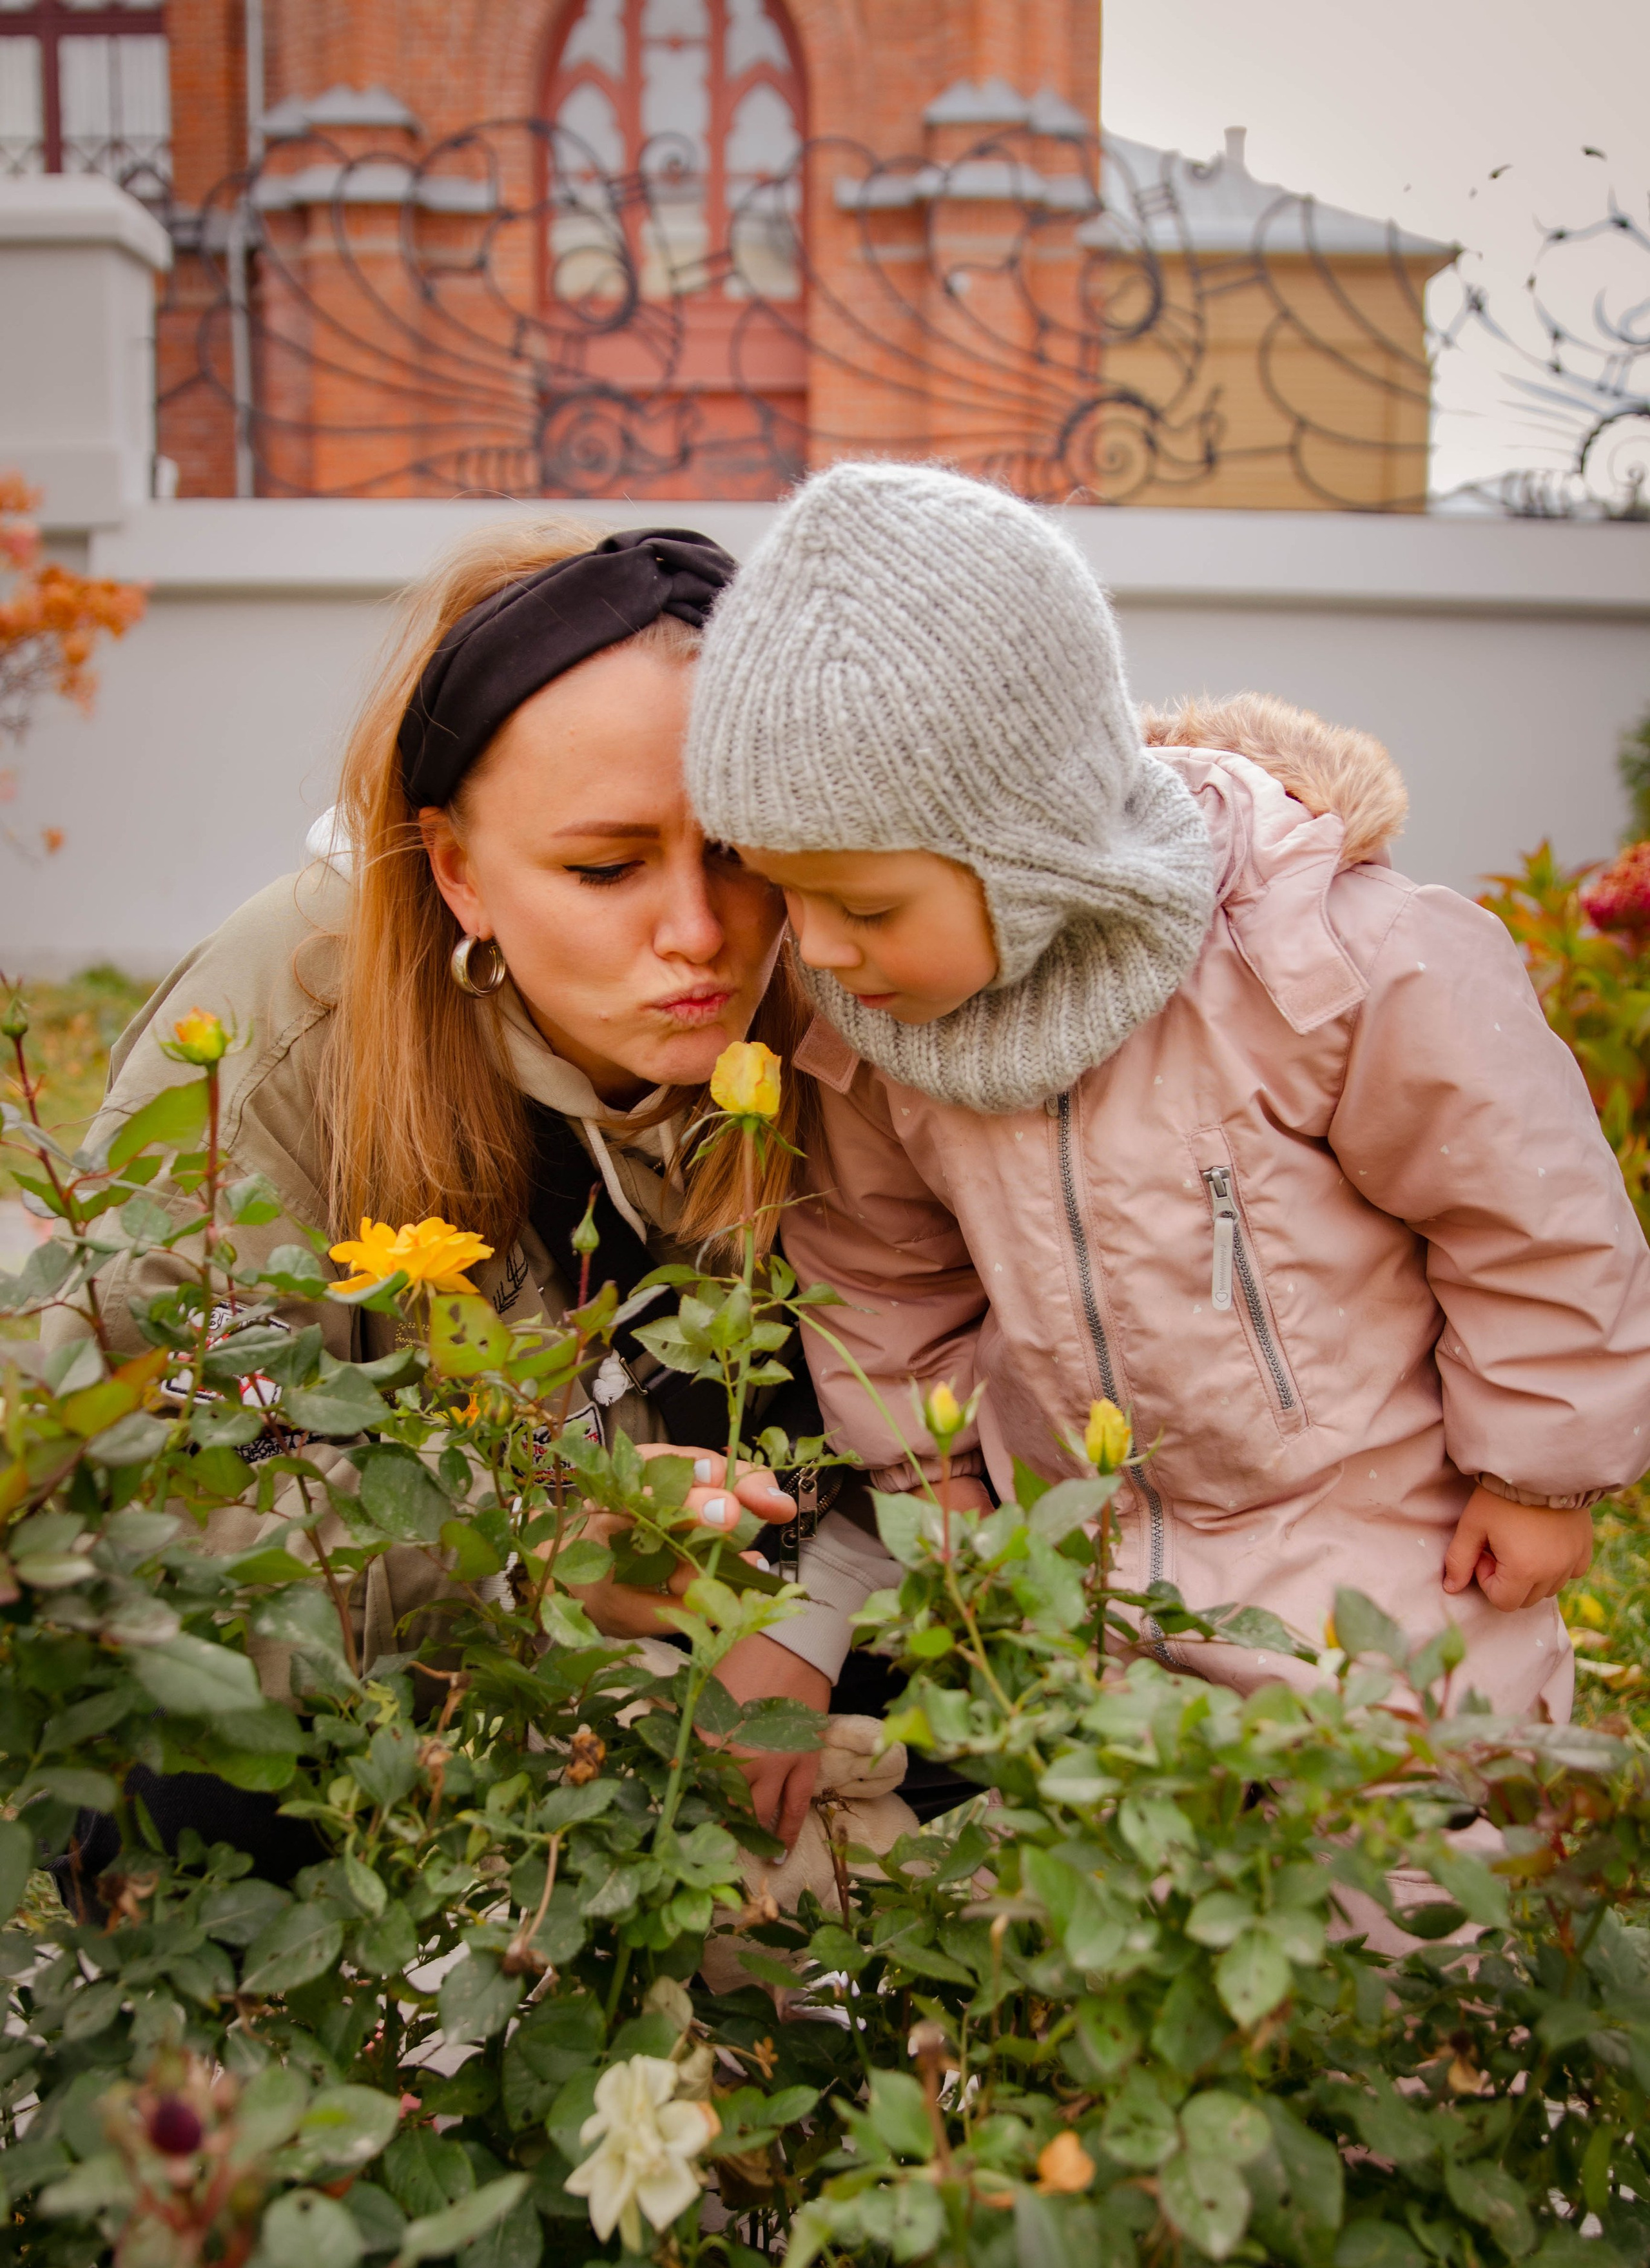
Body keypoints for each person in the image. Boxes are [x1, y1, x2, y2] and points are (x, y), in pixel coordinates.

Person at [685, 460, 1650, 1714]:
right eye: (782, 892)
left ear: (1028, 853)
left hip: (1382, 1561)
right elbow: (876, 1268)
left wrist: (1536, 1475)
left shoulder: (1314, 962)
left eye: (862, 904)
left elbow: (1525, 1214)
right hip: (1082, 1578)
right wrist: (931, 1479)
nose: (811, 949)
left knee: (1406, 1857)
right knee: (1108, 1883)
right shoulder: (877, 1025)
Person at [54, 520, 852, 1875]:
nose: (701, 933)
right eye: (603, 868)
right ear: (456, 869)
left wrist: (802, 1629)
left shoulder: (855, 966)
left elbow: (963, 1385)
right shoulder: (271, 1040)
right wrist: (521, 1550)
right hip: (390, 1687)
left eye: (736, 851)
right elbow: (151, 1505)